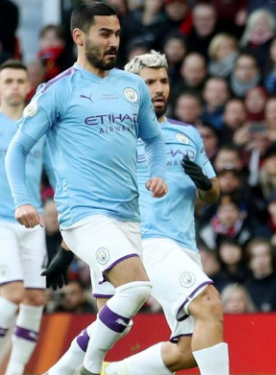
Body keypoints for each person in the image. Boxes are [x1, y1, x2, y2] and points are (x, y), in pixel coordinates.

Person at [5, 4, 168, 375]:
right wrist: (23, 201)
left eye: (117, 34)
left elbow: (154, 141)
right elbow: (17, 150)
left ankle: (58, 373)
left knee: (117, 320)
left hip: (127, 215)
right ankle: (92, 369)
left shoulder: (132, 88)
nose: (114, 43)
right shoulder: (57, 91)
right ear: (79, 37)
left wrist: (158, 172)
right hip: (83, 216)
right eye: (104, 34)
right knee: (138, 287)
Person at [97, 50, 224, 375]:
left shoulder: (188, 134)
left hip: (184, 245)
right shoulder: (116, 135)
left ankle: (110, 372)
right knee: (209, 304)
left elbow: (213, 194)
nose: (159, 88)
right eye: (149, 81)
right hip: (148, 244)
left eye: (163, 81)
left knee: (188, 351)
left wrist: (204, 185)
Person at [0, 60, 48, 375]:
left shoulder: (37, 125)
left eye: (20, 80)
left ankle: (15, 371)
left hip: (34, 221)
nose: (15, 86)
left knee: (34, 297)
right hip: (1, 220)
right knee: (13, 293)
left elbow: (54, 169)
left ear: (27, 85)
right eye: (8, 81)